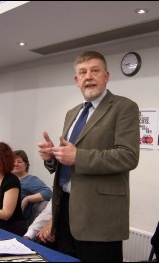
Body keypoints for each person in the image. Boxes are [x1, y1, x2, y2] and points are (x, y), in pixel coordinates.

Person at [38, 50, 140, 262]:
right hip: (65, 209)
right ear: (77, 80)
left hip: (100, 217)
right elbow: (68, 160)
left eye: (95, 71)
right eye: (83, 72)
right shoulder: (72, 113)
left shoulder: (124, 107)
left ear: (106, 76)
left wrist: (79, 157)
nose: (89, 77)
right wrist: (51, 156)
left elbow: (128, 156)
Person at [12, 150, 52, 222]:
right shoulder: (8, 179)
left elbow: (48, 193)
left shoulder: (30, 180)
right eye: (13, 162)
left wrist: (27, 199)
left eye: (19, 162)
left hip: (16, 220)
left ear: (26, 164)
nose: (15, 164)